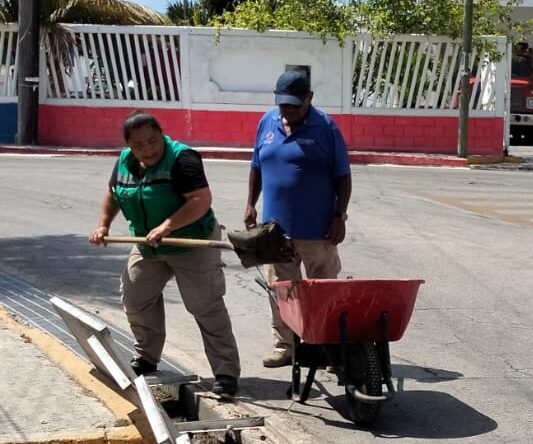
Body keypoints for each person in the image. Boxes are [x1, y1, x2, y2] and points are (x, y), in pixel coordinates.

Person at [89, 110, 241, 398]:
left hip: (191, 242)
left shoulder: (183, 159)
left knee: (205, 306)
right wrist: (103, 225)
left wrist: (168, 226)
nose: (148, 149)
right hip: (149, 244)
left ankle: (225, 374)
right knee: (136, 298)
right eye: (139, 145)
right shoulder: (124, 161)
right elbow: (113, 192)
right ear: (129, 146)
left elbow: (200, 200)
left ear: (162, 135)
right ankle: (146, 358)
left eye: (153, 141)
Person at [244, 70, 352, 368]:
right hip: (275, 232)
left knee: (323, 292)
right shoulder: (267, 123)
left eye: (294, 104)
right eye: (283, 105)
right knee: (282, 291)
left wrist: (339, 216)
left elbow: (343, 177)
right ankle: (286, 346)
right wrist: (250, 204)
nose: (288, 110)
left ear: (309, 99)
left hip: (319, 232)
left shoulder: (327, 128)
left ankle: (327, 346)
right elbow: (257, 166)